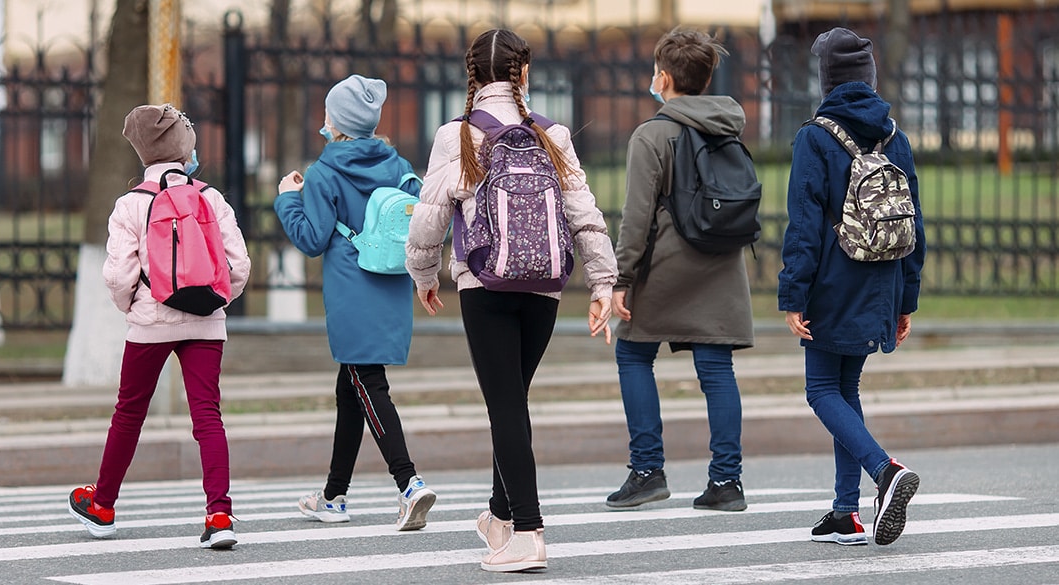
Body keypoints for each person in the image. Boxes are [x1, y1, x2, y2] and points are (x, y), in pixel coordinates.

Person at [405, 28, 618, 573]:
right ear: (525, 75)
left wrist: (423, 273)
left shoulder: (456, 135)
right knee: (512, 402)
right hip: (545, 288)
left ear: (471, 77)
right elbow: (582, 211)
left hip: (485, 284)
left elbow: (429, 216)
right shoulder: (554, 134)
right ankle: (501, 515)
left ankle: (528, 530)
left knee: (505, 406)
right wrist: (602, 283)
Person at [68, 103, 251, 549]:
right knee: (208, 415)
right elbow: (239, 265)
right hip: (206, 322)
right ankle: (219, 515)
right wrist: (216, 301)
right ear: (184, 147)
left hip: (150, 321)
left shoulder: (130, 204)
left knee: (128, 413)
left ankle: (103, 505)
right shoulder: (211, 197)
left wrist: (134, 305)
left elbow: (117, 274)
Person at [779, 27, 926, 546]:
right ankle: (846, 514)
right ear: (868, 78)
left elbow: (804, 226)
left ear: (827, 81)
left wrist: (793, 294)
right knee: (846, 389)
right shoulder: (894, 137)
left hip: (831, 287)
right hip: (881, 284)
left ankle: (885, 472)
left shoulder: (815, 137)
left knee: (820, 390)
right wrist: (906, 299)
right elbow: (915, 226)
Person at [274, 74, 437, 532]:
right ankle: (333, 495)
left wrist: (288, 199)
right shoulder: (397, 163)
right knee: (351, 390)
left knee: (367, 383)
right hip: (389, 284)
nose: (323, 119)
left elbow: (310, 239)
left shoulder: (324, 173)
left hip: (351, 290)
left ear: (337, 122)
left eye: (328, 112)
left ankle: (409, 483)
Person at [606, 29, 753, 514]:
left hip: (668, 265)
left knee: (632, 354)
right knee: (716, 369)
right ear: (707, 77)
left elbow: (637, 217)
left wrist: (620, 280)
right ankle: (726, 481)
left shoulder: (652, 134)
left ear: (663, 78)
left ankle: (648, 470)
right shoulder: (728, 125)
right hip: (722, 266)